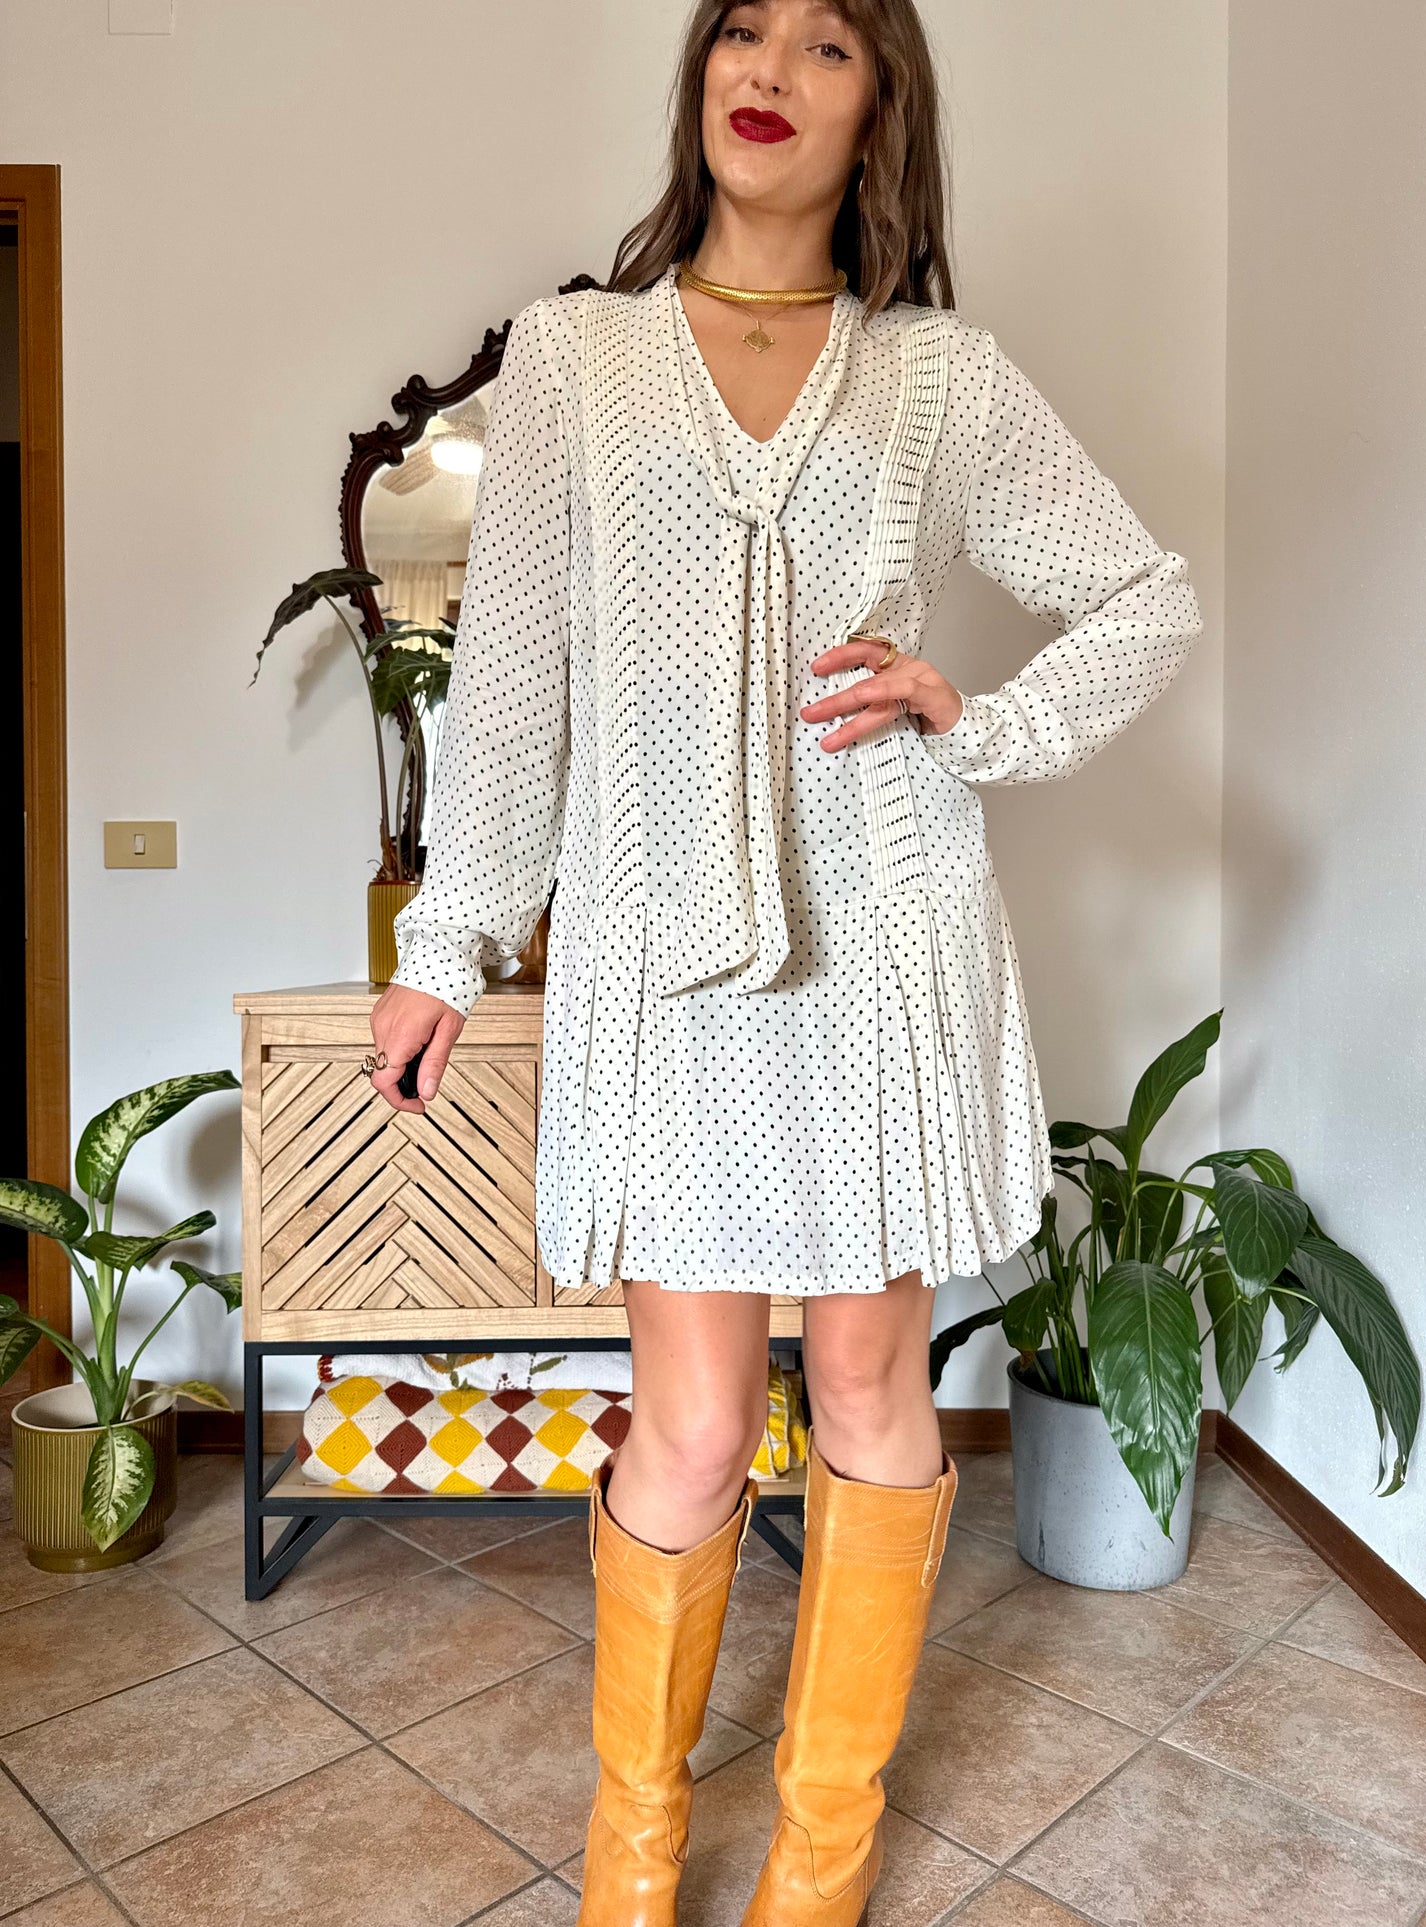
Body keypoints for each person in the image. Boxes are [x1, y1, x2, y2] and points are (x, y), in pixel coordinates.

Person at [368, 0, 1204, 1919]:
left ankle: (819, 1868)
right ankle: (634, 1854)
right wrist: (453, 940)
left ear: (877, 107)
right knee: (689, 1418)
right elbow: (509, 698)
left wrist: (965, 720)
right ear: (701, 83)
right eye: (743, 27)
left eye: (830, 43)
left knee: (869, 1387)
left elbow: (1138, 596)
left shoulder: (938, 380)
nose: (773, 65)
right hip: (665, 963)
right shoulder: (574, 359)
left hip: (885, 950)